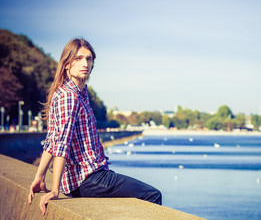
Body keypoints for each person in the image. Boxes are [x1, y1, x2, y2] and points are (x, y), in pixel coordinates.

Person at [28, 38, 161, 215]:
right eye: (79, 58)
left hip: (88, 177)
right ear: (67, 64)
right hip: (88, 179)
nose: (85, 63)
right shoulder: (70, 97)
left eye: (89, 59)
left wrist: (39, 177)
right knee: (152, 195)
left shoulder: (79, 92)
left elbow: (52, 139)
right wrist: (54, 190)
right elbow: (61, 144)